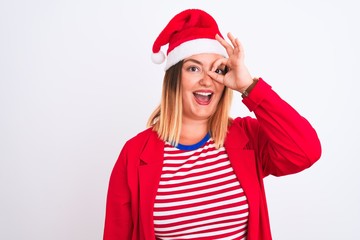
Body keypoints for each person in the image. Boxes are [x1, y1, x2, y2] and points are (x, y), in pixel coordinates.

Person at [103, 9, 321, 240]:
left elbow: (305, 151)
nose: (207, 80)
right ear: (174, 78)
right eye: (193, 68)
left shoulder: (246, 137)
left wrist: (249, 86)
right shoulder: (135, 153)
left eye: (217, 70)